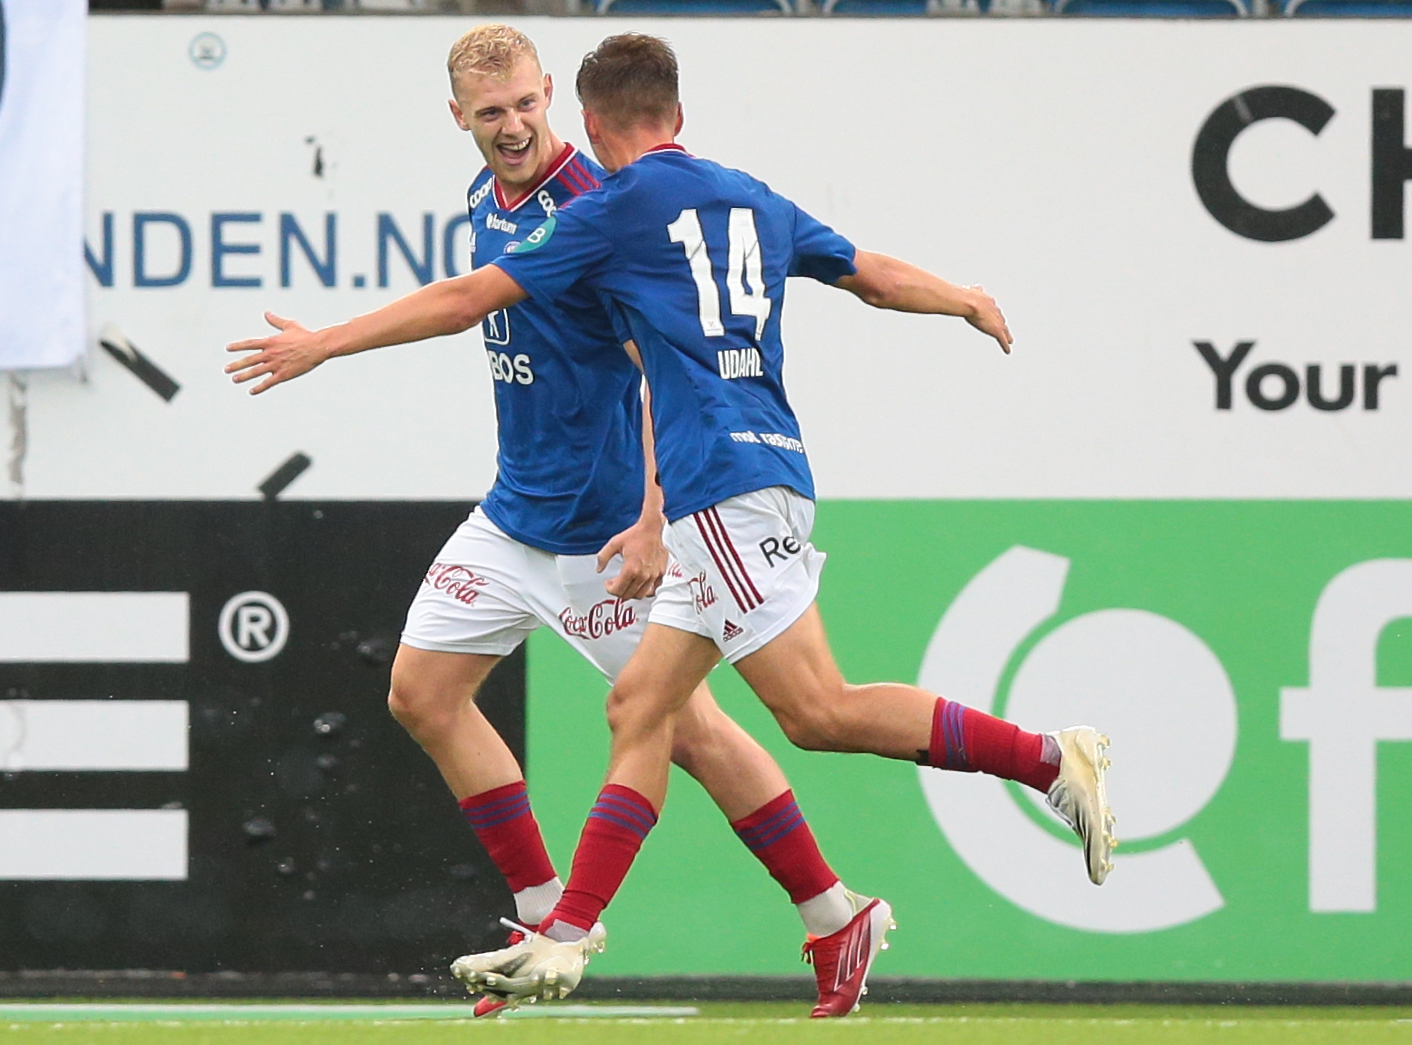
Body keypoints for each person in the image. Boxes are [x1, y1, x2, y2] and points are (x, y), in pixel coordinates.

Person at [225, 31, 1113, 1015]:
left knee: (746, 718)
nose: (514, 126)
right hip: (521, 513)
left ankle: (866, 870)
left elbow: (627, 357)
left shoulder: (601, 206)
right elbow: (858, 268)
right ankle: (556, 919)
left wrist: (647, 521)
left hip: (615, 534)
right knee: (430, 693)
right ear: (459, 119)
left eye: (526, 105)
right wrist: (962, 297)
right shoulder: (513, 201)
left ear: (567, 106)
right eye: (491, 114)